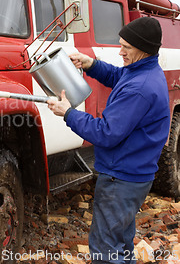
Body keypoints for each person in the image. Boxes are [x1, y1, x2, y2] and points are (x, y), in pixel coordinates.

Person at [47, 16, 170, 263]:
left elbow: (105, 133)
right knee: (121, 241)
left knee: (105, 248)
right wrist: (91, 64)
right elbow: (119, 77)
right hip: (132, 175)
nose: (120, 51)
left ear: (143, 48)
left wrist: (68, 113)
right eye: (120, 44)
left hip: (120, 178)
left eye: (126, 47)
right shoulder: (143, 70)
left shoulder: (140, 88)